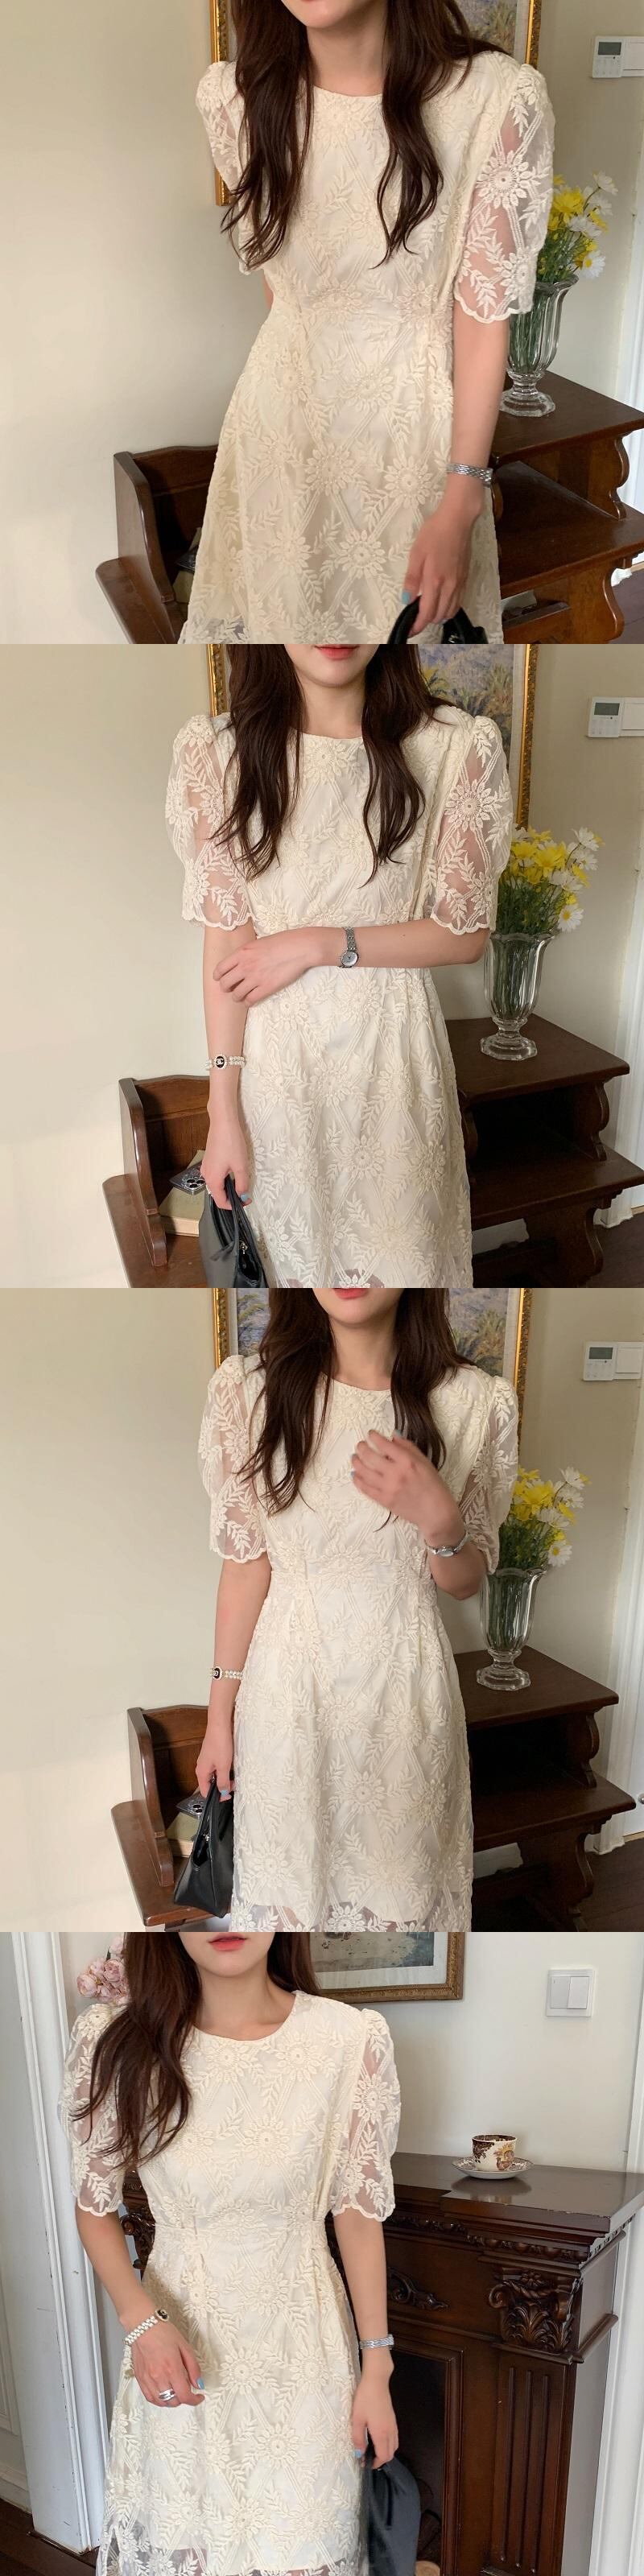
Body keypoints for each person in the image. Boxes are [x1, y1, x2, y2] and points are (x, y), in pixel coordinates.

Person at [183, 0, 553, 642]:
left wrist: (462, 496)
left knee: (405, 645)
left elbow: (482, 319)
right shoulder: (235, 99)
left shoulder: (494, 100)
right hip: (278, 440)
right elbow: (284, 295)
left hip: (410, 447)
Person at [167, 642, 514, 1286]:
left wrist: (320, 943)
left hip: (394, 1063)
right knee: (297, 1272)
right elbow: (227, 953)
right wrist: (223, 1113)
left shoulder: (455, 745)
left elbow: (464, 935)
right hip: (277, 1074)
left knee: (406, 1270)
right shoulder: (216, 754)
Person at [60, 1929, 401, 2576]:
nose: (226, 1920)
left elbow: (356, 2215)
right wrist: (141, 2323)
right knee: (191, 2546)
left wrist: (376, 2368)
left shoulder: (347, 2039)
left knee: (303, 2548)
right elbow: (93, 2204)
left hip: (304, 2355)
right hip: (177, 2344)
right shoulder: (118, 2042)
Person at [197, 1287, 518, 1930]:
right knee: (287, 1910)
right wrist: (218, 1717)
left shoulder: (473, 1401)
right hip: (287, 1701)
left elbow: (464, 1583)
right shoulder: (250, 1392)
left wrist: (441, 1522)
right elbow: (246, 1565)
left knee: (402, 1899)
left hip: (405, 1701)